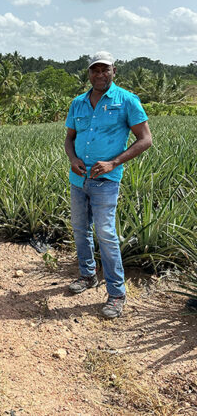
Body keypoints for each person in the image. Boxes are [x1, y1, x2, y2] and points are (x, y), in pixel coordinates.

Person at [64, 51, 152, 319]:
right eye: (95, 70)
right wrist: (73, 159)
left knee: (105, 234)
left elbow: (145, 139)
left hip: (106, 181)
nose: (100, 74)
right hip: (79, 179)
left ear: (114, 71)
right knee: (80, 229)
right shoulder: (78, 103)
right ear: (89, 74)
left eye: (105, 70)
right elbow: (69, 138)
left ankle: (116, 293)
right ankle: (88, 275)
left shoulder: (126, 100)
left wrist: (114, 163)